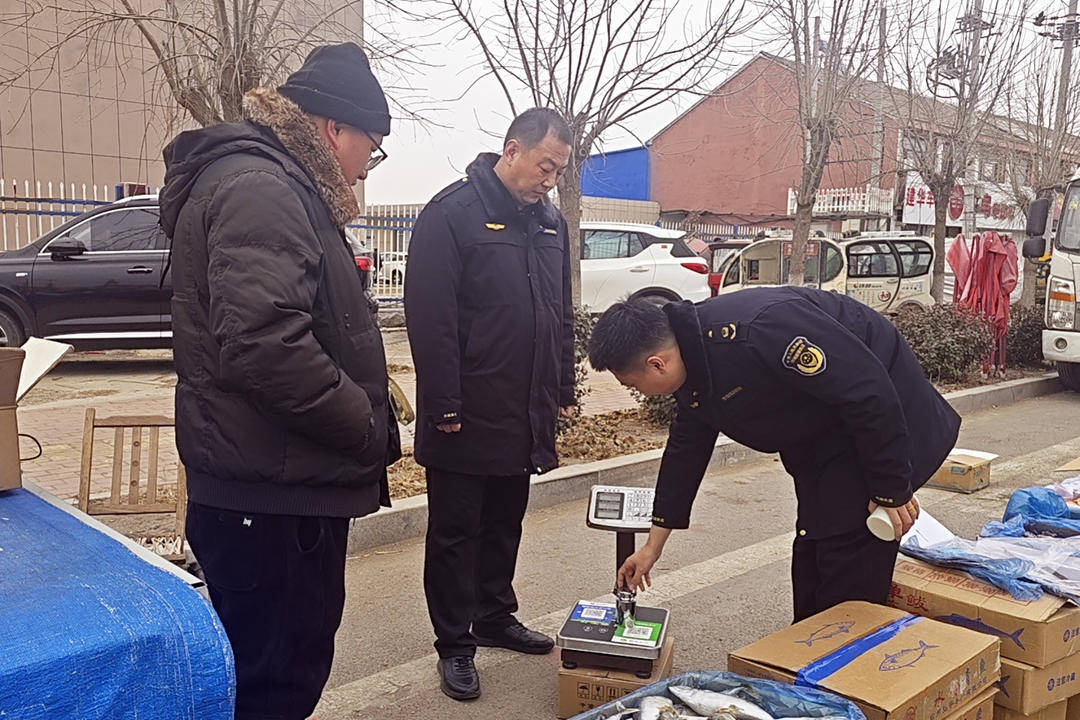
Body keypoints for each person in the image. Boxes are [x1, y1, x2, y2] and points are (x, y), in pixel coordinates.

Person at [158, 43, 400, 720]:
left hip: (277, 482)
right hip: (272, 495)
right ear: (333, 130)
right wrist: (363, 423)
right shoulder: (261, 188)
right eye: (370, 148)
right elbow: (266, 345)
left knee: (276, 671)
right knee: (275, 680)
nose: (365, 167)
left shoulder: (276, 185)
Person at [587, 287, 960, 622]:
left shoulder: (760, 330)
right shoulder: (692, 354)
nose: (639, 393)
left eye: (634, 384)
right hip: (824, 427)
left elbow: (869, 392)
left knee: (851, 542)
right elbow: (686, 449)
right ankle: (808, 640)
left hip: (885, 418)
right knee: (814, 535)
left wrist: (891, 489)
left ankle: (844, 658)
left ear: (657, 363)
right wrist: (653, 547)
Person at [404, 108, 576, 701]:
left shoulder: (551, 224)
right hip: (465, 408)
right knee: (456, 531)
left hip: (522, 405)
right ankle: (455, 643)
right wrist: (444, 404)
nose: (550, 180)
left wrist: (561, 389)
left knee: (505, 519)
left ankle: (494, 616)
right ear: (512, 151)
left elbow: (558, 313)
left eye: (558, 171)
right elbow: (430, 320)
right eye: (545, 166)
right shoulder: (451, 215)